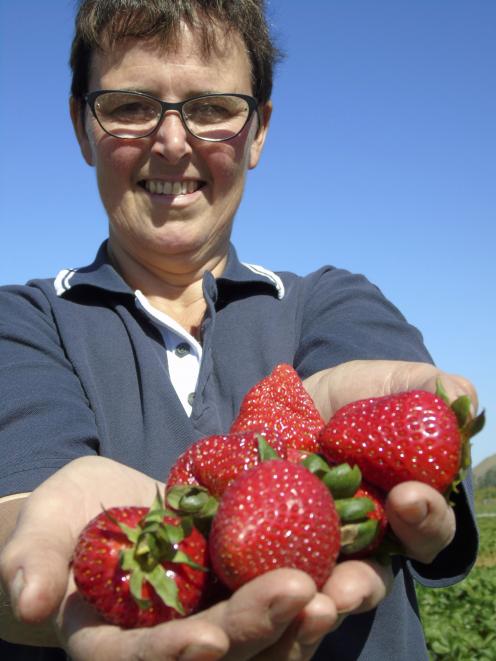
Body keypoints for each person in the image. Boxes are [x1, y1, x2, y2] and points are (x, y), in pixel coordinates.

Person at [0, 1, 478, 659]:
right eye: (131, 106)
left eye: (212, 108)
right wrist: (51, 555)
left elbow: (401, 454)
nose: (173, 141)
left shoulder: (334, 299)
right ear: (83, 126)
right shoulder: (20, 323)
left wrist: (395, 431)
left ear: (258, 131)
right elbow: (20, 503)